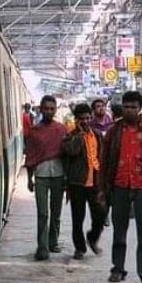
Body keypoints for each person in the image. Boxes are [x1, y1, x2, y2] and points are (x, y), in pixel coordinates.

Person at [99, 90, 142, 283]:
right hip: (119, 186)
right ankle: (118, 269)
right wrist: (103, 188)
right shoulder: (114, 131)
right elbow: (104, 161)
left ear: (140, 108)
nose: (129, 111)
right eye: (126, 107)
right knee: (119, 229)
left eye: (133, 107)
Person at [24, 95, 67, 261]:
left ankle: (53, 242)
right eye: (46, 108)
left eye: (52, 108)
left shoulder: (61, 129)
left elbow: (66, 155)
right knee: (42, 213)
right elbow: (30, 155)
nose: (49, 111)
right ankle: (42, 248)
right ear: (41, 109)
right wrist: (29, 178)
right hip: (40, 175)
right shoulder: (35, 131)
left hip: (58, 174)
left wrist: (67, 177)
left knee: (56, 211)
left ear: (55, 110)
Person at [62, 103, 105, 259]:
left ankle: (92, 238)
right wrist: (79, 136)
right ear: (76, 120)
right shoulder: (70, 136)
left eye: (87, 118)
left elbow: (102, 157)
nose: (85, 121)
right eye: (82, 119)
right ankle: (80, 248)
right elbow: (71, 151)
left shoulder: (98, 135)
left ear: (91, 117)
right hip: (77, 183)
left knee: (100, 214)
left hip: (95, 182)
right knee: (77, 218)